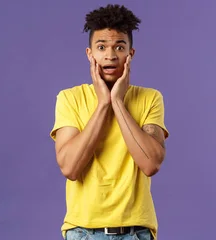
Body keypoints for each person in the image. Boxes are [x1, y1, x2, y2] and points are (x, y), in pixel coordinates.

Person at [50, 4, 169, 240]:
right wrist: (103, 104)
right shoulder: (70, 98)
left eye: (119, 47)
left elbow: (151, 164)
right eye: (101, 47)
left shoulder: (150, 98)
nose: (111, 55)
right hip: (82, 232)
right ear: (89, 54)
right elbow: (70, 168)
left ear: (130, 54)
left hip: (136, 232)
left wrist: (117, 102)